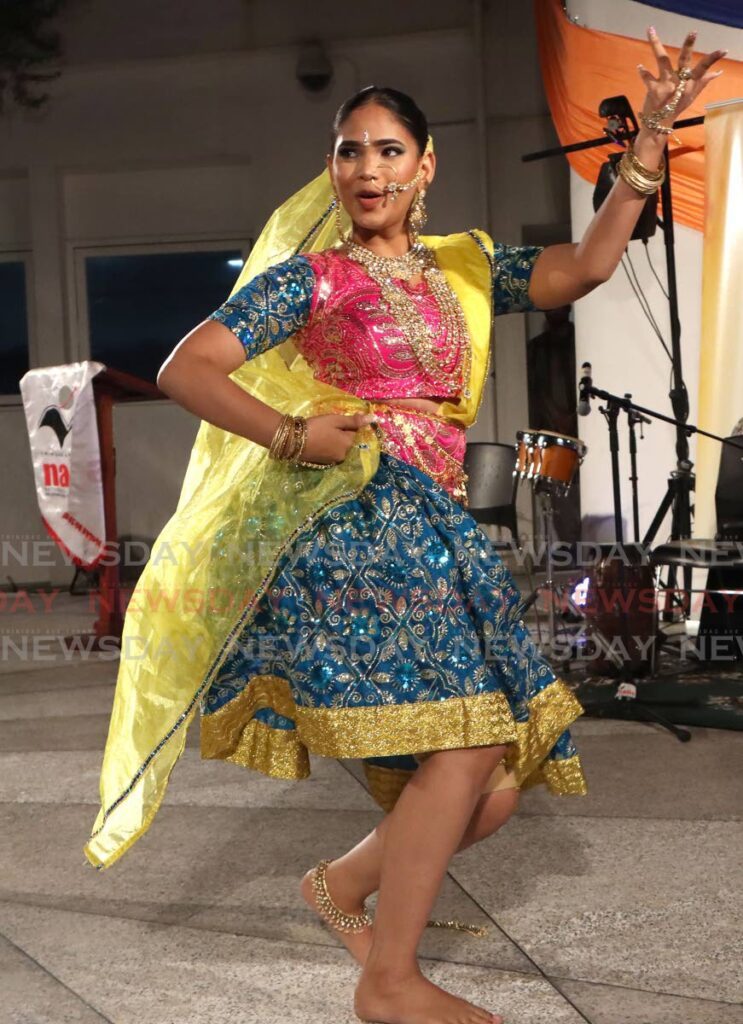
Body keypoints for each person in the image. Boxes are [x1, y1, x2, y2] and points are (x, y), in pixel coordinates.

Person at [85, 27, 724, 1024]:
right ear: (331, 170)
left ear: (424, 166)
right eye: (348, 149)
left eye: (387, 149)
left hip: (440, 528)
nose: (366, 167)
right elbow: (185, 369)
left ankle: (338, 888)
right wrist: (292, 433)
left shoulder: (463, 269)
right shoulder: (312, 281)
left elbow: (583, 267)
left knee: (494, 784)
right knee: (468, 745)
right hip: (356, 523)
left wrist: (643, 148)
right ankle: (389, 983)